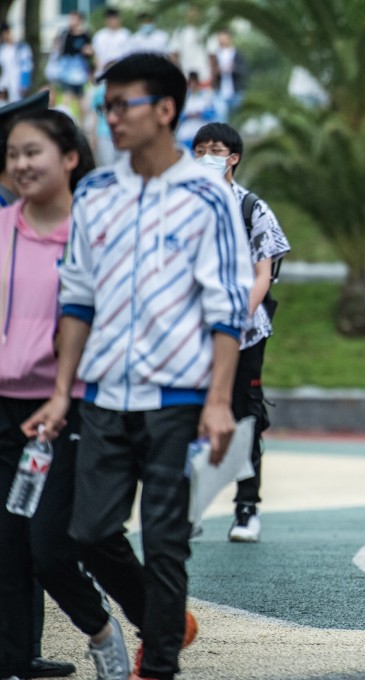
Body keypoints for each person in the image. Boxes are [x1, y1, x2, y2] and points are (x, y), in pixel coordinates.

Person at [22, 52, 252, 680]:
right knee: (90, 532)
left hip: (178, 398)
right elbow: (77, 298)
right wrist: (63, 391)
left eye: (124, 105)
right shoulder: (95, 194)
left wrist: (216, 400)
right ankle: (162, 618)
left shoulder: (210, 198)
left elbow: (227, 305)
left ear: (166, 110)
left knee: (166, 538)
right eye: (107, 106)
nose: (112, 118)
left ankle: (159, 670)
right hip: (101, 396)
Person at [0, 108, 134, 680]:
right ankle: (11, 664)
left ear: (71, 158)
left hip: (67, 406)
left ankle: (103, 631)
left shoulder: (97, 235)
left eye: (33, 152)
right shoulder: (1, 228)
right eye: (12, 155)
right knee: (6, 550)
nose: (21, 164)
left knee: (51, 548)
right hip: (3, 407)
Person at [192, 122, 291, 543]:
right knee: (182, 415)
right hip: (189, 331)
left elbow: (262, 273)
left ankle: (247, 506)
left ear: (233, 157)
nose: (206, 156)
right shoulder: (181, 203)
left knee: (245, 412)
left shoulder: (252, 208)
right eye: (199, 149)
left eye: (215, 149)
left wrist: (237, 317)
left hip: (244, 331)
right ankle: (186, 506)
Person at [92, 9, 132, 75]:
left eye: (114, 19)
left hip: (122, 72)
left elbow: (129, 55)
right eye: (109, 19)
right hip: (103, 73)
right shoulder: (99, 36)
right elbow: (96, 56)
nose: (111, 21)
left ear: (119, 19)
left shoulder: (126, 35)